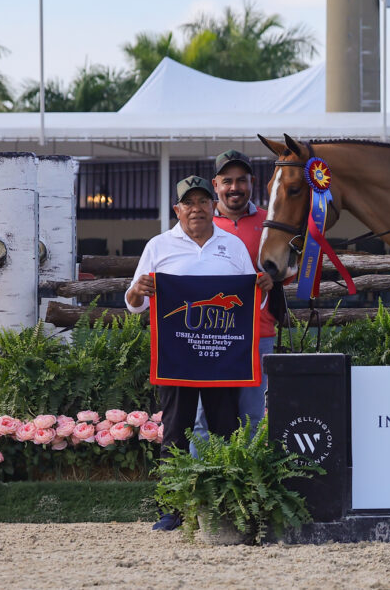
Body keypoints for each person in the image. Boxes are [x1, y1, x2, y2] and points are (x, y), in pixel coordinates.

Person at [125, 175, 272, 532]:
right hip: (177, 358)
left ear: (212, 206)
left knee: (225, 430)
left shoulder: (234, 245)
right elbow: (134, 304)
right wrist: (138, 290)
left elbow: (251, 301)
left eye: (203, 201)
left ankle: (225, 502)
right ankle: (171, 508)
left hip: (222, 358)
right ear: (177, 209)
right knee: (176, 431)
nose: (196, 208)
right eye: (188, 202)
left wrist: (263, 288)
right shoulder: (159, 246)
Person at [190, 150, 275, 454]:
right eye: (227, 181)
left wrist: (272, 279)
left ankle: (247, 486)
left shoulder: (270, 223)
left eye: (241, 180)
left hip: (258, 335)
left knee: (252, 415)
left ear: (252, 182)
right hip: (209, 337)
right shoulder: (196, 224)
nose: (235, 187)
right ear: (215, 184)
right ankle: (198, 485)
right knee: (202, 417)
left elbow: (286, 271)